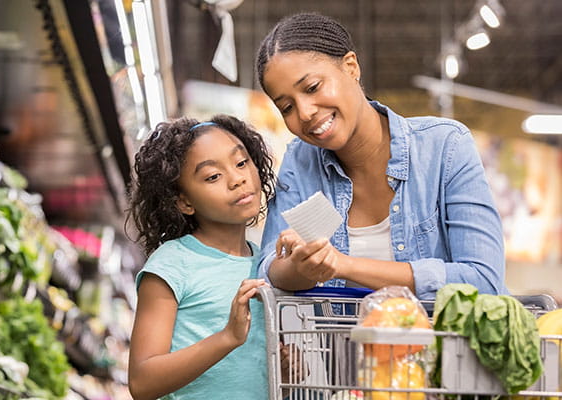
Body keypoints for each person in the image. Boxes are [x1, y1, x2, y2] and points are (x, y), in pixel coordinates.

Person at [254, 12, 509, 300]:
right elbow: (268, 273)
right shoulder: (301, 163)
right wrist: (301, 265)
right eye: (286, 107)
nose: (304, 112)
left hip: (444, 344)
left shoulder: (444, 147)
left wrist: (344, 265)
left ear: (351, 67)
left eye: (312, 87)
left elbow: (482, 279)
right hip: (337, 346)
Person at [126, 115, 276, 399]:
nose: (237, 179)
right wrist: (227, 338)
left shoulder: (265, 262)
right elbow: (142, 382)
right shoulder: (172, 263)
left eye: (242, 162)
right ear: (184, 202)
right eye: (213, 177)